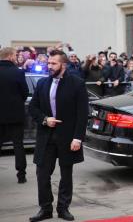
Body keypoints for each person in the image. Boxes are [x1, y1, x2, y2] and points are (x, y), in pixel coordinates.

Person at [29, 49, 89, 221]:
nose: (49, 66)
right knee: (42, 174)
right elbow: (33, 108)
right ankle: (45, 209)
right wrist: (45, 119)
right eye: (48, 63)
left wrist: (78, 138)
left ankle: (63, 209)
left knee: (66, 175)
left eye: (53, 63)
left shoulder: (77, 83)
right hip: (46, 136)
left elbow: (82, 113)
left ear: (63, 65)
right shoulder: (42, 84)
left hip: (68, 137)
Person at [0, 47, 29, 183]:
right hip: (15, 115)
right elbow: (24, 92)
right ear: (11, 56)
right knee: (18, 145)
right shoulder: (18, 73)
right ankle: (21, 175)